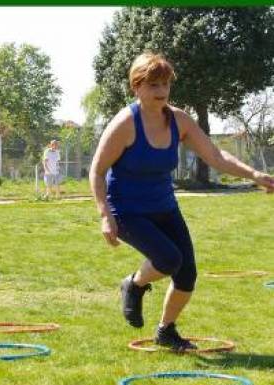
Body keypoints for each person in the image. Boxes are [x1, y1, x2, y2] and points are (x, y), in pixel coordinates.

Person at [89, 52, 274, 351]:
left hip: (165, 207)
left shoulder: (179, 120)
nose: (161, 91)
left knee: (187, 274)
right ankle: (134, 284)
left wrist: (254, 174)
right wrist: (104, 214)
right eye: (153, 85)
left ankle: (166, 330)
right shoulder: (125, 123)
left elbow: (215, 156)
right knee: (169, 259)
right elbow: (97, 171)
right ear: (136, 87)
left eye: (165, 84)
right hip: (127, 211)